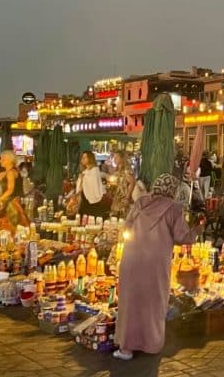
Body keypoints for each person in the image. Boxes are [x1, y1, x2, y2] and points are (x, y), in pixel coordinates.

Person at [113, 174, 203, 360]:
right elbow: (182, 237)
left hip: (131, 259)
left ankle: (126, 349)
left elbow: (127, 227)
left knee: (130, 302)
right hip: (155, 264)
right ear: (173, 190)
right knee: (153, 303)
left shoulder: (140, 202)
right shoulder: (174, 208)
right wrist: (197, 230)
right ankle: (151, 345)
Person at [0, 150, 30, 236]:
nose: (0, 161)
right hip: (11, 202)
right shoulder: (11, 171)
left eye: (3, 159)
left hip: (11, 203)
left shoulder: (11, 172)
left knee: (6, 227)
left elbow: (10, 190)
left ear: (10, 160)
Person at [74, 151, 108, 218]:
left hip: (93, 200)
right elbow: (81, 187)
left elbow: (94, 182)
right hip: (84, 198)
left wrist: (84, 177)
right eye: (82, 158)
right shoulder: (84, 172)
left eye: (84, 157)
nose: (82, 159)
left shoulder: (95, 170)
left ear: (90, 158)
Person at [107, 151, 137, 219]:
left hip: (123, 198)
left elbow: (132, 183)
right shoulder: (116, 170)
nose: (114, 159)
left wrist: (127, 197)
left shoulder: (127, 170)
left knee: (122, 219)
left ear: (122, 158)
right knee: (114, 218)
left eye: (117, 157)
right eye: (114, 157)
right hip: (116, 198)